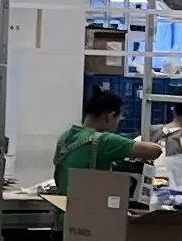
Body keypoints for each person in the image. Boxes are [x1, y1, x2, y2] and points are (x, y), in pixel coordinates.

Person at [52, 81, 160, 211]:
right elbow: (155, 151)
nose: (118, 124)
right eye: (119, 118)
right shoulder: (103, 141)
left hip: (64, 213)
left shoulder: (65, 137)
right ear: (109, 116)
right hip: (90, 216)